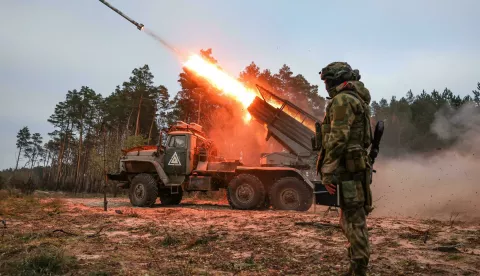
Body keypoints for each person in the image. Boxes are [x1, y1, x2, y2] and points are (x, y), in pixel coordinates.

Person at [317, 62, 374, 276]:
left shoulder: (342, 100)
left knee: (353, 222)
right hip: (354, 169)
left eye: (328, 81)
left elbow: (338, 138)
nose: (326, 86)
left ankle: (358, 270)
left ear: (336, 80)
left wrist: (328, 171)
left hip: (347, 171)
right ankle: (355, 268)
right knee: (350, 219)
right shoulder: (354, 98)